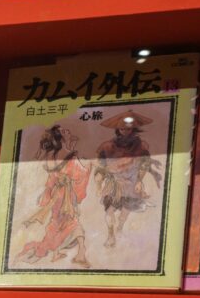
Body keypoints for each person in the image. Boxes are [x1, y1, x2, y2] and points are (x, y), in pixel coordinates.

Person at [18, 124, 91, 267]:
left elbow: (52, 177)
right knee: (72, 221)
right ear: (60, 138)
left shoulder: (52, 155)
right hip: (67, 195)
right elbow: (79, 174)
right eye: (64, 131)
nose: (68, 131)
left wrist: (48, 192)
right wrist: (88, 169)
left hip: (57, 195)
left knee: (56, 222)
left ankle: (56, 253)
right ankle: (81, 253)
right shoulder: (69, 156)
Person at [94, 110, 162, 248]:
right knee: (109, 210)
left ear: (133, 129)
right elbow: (101, 166)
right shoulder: (107, 146)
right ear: (118, 129)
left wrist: (139, 181)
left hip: (131, 182)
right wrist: (98, 186)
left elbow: (144, 164)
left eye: (128, 128)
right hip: (114, 183)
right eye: (122, 128)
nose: (125, 131)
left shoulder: (141, 146)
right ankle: (111, 235)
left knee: (125, 212)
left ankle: (120, 226)